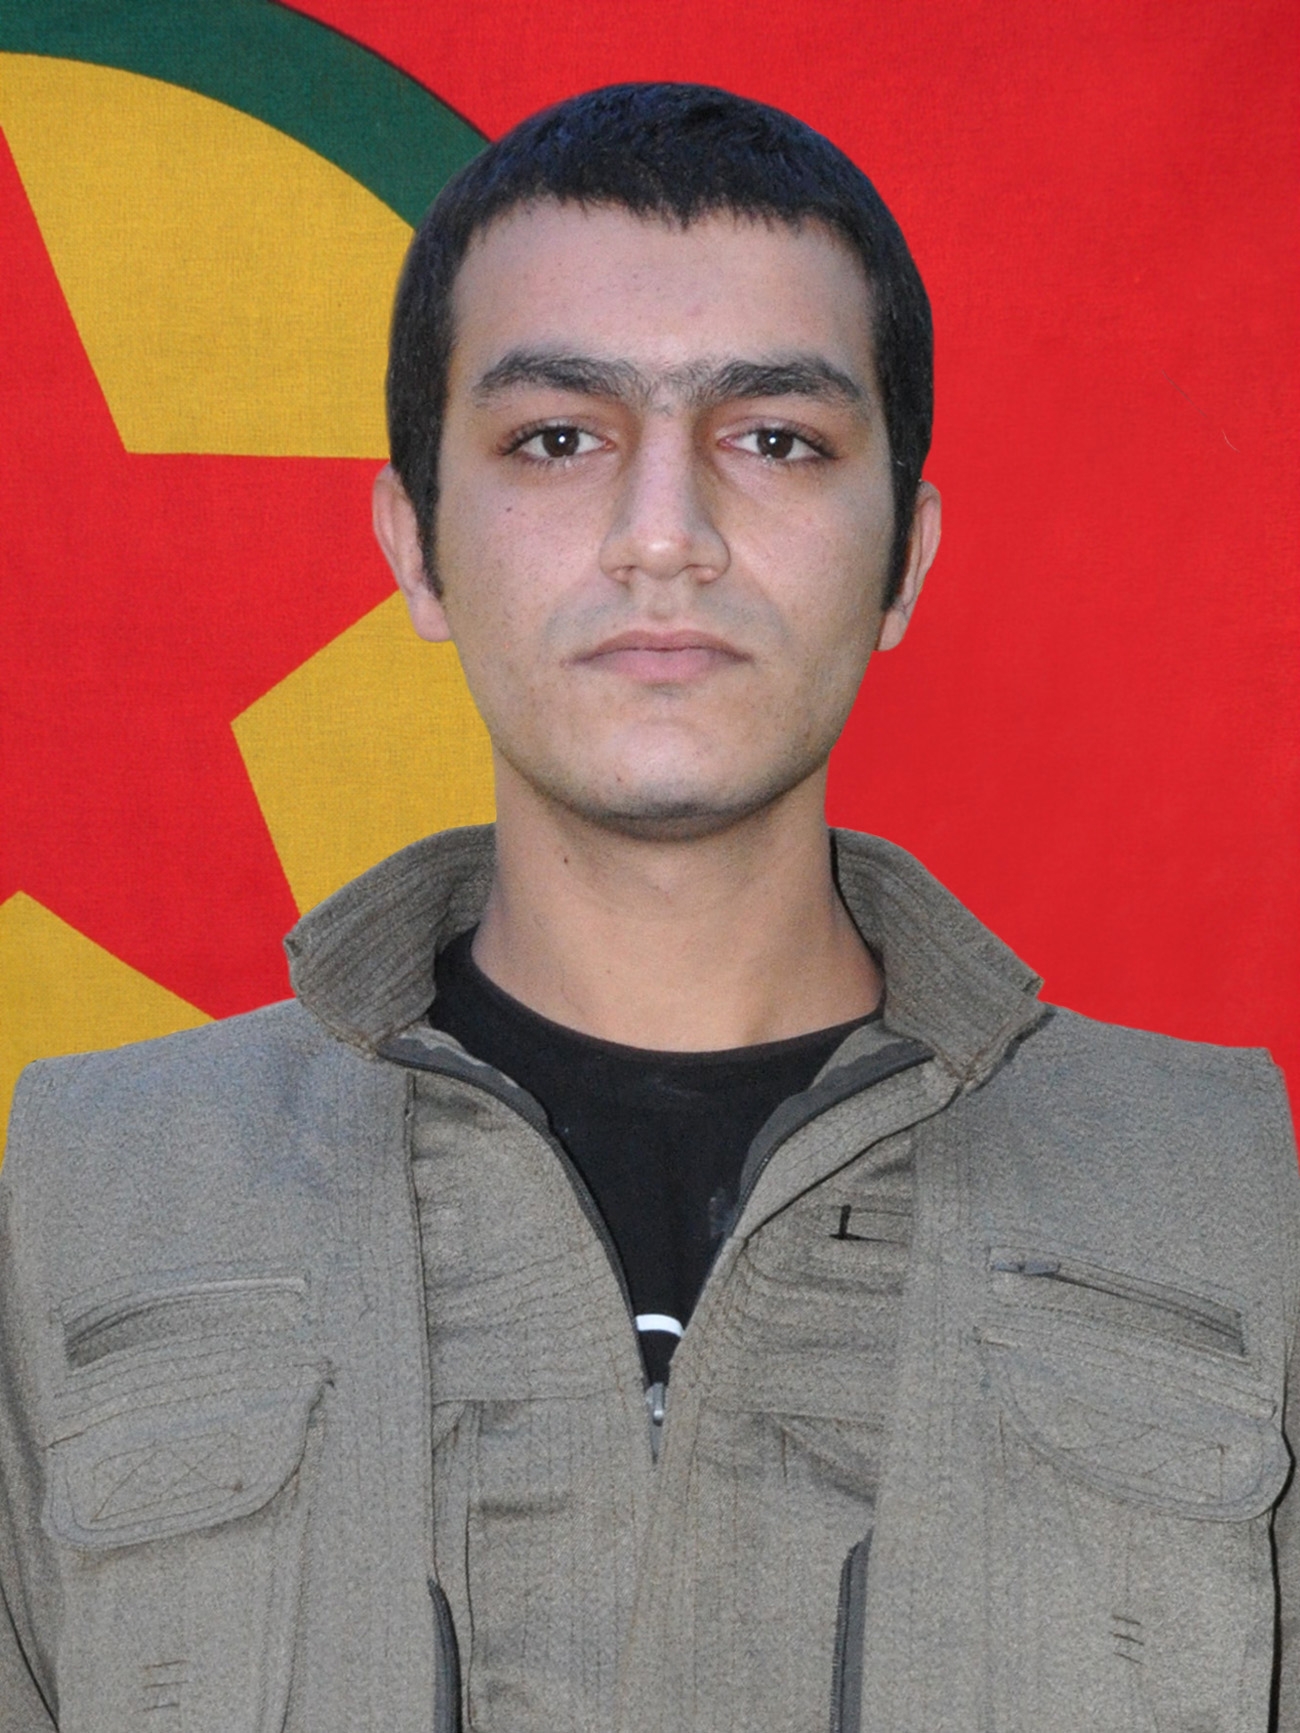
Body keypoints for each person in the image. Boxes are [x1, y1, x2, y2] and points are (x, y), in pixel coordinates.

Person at [0, 82, 1295, 1733]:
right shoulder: (88, 1202)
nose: (666, 536)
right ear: (416, 544)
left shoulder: (1230, 1201)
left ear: (904, 560)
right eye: (558, 437)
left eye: (776, 438)